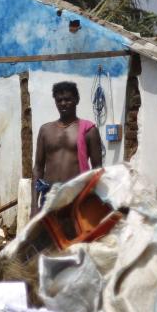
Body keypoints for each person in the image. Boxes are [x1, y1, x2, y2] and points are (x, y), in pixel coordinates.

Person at [32, 81, 103, 214]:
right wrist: (34, 206)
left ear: (76, 100)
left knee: (75, 234)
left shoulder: (89, 130)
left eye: (68, 99)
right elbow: (38, 168)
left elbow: (97, 170)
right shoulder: (45, 130)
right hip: (49, 195)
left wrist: (95, 202)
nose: (63, 103)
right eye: (59, 100)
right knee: (47, 234)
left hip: (77, 195)